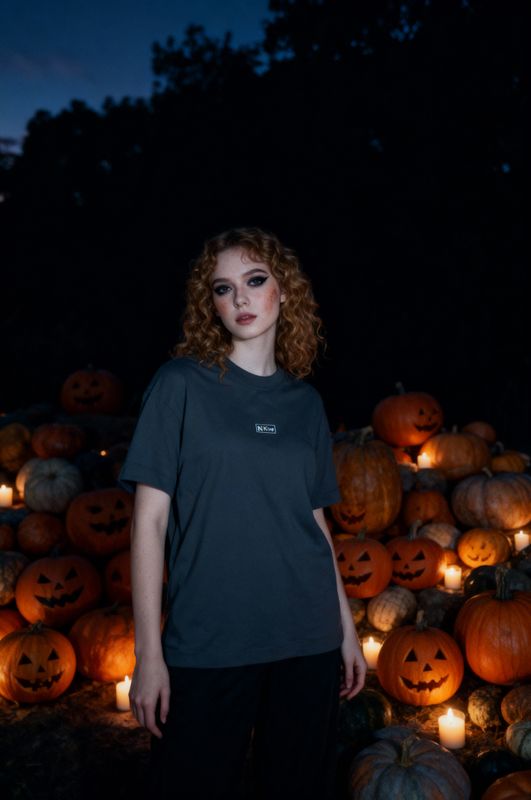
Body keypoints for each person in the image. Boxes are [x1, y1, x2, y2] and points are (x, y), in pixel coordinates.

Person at [118, 227, 366, 800]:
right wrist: (148, 655)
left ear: (286, 292)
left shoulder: (305, 404)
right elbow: (148, 522)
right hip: (208, 642)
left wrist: (346, 632)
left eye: (255, 281)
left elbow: (315, 524)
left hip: (307, 637)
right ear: (212, 306)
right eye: (224, 289)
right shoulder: (179, 384)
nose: (241, 300)